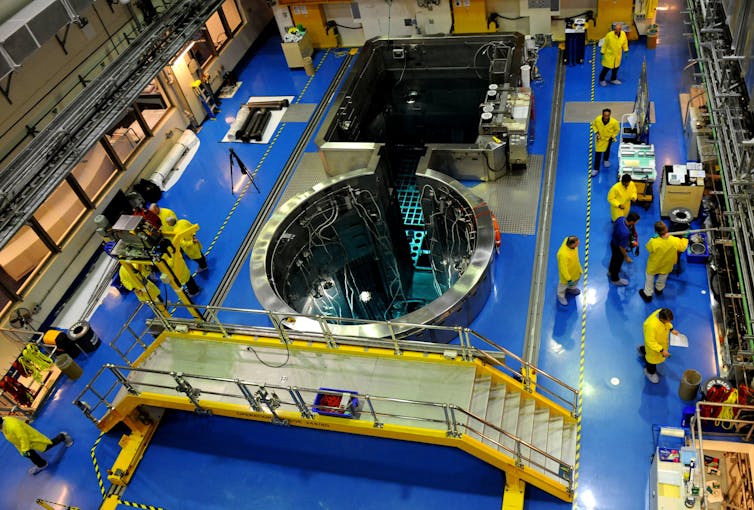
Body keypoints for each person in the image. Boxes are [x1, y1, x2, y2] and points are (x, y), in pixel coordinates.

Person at [0, 416, 73, 475]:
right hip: (23, 445)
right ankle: (42, 464)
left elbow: (23, 438)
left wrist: (25, 449)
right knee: (31, 455)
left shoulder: (13, 426)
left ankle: (62, 436)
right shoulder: (4, 422)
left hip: (31, 440)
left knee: (46, 447)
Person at [640, 221, 689, 302]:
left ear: (656, 231)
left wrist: (653, 238)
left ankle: (648, 294)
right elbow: (683, 248)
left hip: (654, 264)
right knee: (663, 276)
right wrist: (685, 238)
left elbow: (649, 249)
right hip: (667, 264)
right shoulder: (675, 240)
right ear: (666, 229)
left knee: (650, 277)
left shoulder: (653, 241)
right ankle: (659, 289)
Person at [637, 308, 677, 383]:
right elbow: (650, 342)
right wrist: (661, 350)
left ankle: (642, 349)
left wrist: (671, 329)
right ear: (661, 319)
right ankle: (649, 372)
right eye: (667, 321)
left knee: (651, 353)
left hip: (660, 342)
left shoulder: (662, 312)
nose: (669, 322)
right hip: (653, 346)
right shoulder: (652, 326)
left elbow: (667, 324)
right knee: (651, 361)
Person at [609, 211, 640, 286]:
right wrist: (626, 257)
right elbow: (621, 247)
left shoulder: (621, 218)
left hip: (613, 242)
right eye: (636, 222)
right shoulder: (625, 233)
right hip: (618, 248)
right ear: (632, 222)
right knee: (617, 262)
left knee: (613, 259)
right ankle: (615, 279)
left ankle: (610, 271)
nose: (637, 223)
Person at [591, 109, 620, 177]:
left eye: (608, 115)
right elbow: (594, 125)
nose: (606, 117)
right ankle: (596, 169)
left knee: (607, 150)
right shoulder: (598, 119)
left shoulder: (614, 122)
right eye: (605, 115)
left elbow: (617, 130)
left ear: (610, 115)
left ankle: (606, 160)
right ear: (602, 114)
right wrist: (597, 133)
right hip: (600, 139)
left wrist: (612, 136)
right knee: (598, 154)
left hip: (608, 139)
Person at [556, 236, 583, 306]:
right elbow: (563, 269)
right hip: (567, 275)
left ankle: (571, 289)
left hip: (575, 270)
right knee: (563, 286)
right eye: (577, 243)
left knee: (575, 281)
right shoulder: (563, 255)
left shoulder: (568, 240)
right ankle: (560, 296)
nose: (578, 244)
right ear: (571, 244)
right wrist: (568, 279)